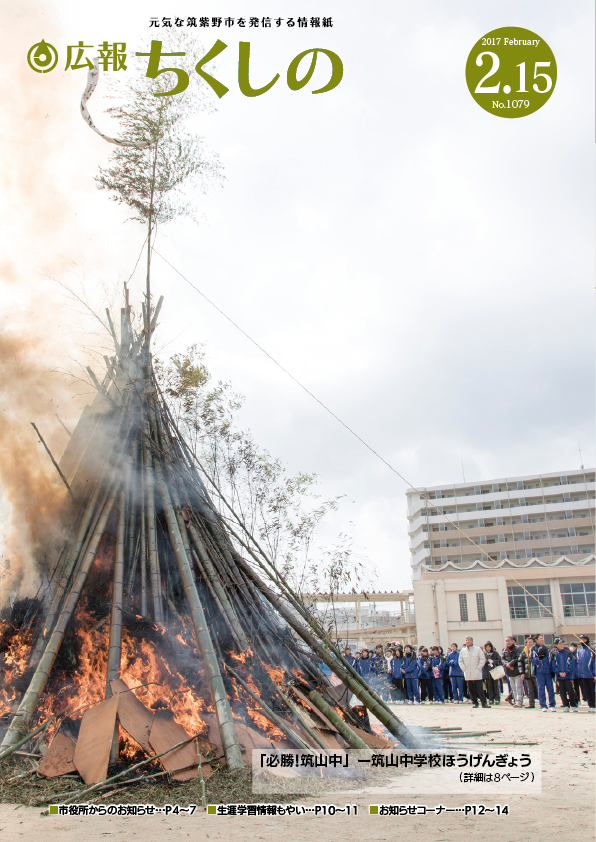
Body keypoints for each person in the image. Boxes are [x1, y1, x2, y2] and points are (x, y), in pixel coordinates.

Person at [459, 636, 489, 709]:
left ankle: (484, 703)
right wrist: (464, 669)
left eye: (468, 640)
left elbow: (482, 659)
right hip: (468, 673)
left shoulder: (478, 649)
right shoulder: (463, 651)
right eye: (466, 640)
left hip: (476, 673)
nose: (467, 642)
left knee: (480, 689)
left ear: (472, 641)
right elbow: (460, 661)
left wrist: (478, 668)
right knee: (471, 689)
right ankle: (474, 703)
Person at [530, 634, 556, 712]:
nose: (542, 640)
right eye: (540, 638)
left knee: (550, 689)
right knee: (541, 689)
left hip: (547, 671)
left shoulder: (546, 648)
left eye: (542, 638)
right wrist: (539, 658)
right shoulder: (533, 649)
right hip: (539, 672)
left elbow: (550, 660)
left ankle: (552, 705)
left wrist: (552, 670)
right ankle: (543, 705)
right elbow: (532, 660)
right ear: (536, 640)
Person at [552, 638, 578, 712]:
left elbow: (571, 663)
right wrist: (558, 673)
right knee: (562, 691)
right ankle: (565, 705)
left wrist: (566, 672)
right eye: (560, 644)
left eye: (562, 643)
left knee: (571, 691)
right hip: (559, 677)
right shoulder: (554, 653)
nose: (562, 645)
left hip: (568, 676)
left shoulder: (568, 652)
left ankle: (573, 705)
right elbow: (553, 664)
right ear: (556, 645)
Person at [501, 636, 523, 707]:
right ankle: (516, 701)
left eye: (509, 641)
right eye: (506, 641)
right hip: (509, 672)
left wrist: (511, 664)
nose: (508, 642)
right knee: (513, 688)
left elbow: (518, 658)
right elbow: (502, 659)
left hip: (517, 671)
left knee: (518, 687)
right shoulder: (504, 650)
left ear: (513, 641)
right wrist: (507, 665)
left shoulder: (517, 649)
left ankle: (519, 702)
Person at [576, 634, 596, 711]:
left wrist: (594, 673)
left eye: (582, 639)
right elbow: (578, 663)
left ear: (586, 640)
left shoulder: (591, 650)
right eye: (580, 639)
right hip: (582, 675)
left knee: (593, 691)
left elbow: (594, 662)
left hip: (590, 675)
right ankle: (591, 706)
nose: (581, 641)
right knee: (586, 691)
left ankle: (594, 705)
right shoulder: (580, 651)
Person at [520, 636, 539, 708]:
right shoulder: (524, 652)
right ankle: (531, 703)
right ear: (526, 644)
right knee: (530, 689)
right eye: (529, 642)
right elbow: (520, 662)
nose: (530, 643)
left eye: (531, 642)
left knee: (538, 688)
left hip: (536, 673)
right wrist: (522, 672)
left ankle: (542, 703)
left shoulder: (536, 650)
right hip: (528, 674)